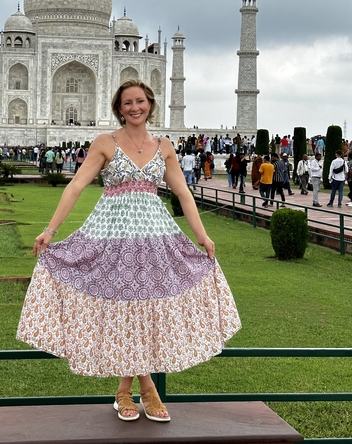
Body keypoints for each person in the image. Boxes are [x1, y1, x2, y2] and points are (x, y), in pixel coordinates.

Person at [17, 79, 241, 423]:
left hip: (155, 237)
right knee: (125, 308)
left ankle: (128, 390)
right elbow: (77, 185)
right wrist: (50, 230)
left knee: (145, 307)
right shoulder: (106, 142)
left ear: (150, 104)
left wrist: (202, 236)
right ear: (119, 109)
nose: (134, 108)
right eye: (127, 103)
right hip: (111, 236)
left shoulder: (164, 145)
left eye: (140, 101)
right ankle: (145, 389)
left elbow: (183, 193)